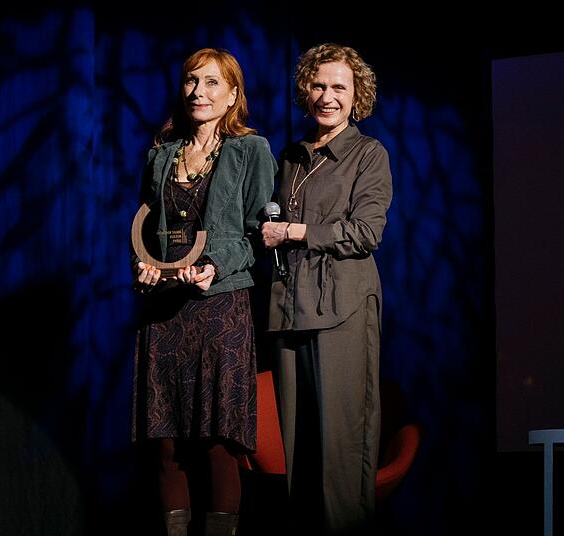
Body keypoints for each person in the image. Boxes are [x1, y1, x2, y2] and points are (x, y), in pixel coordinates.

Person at [132, 48, 276, 536]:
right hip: (165, 310)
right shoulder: (161, 155)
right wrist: (143, 268)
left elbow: (259, 233)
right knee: (166, 440)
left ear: (233, 94)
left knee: (218, 439)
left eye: (212, 82)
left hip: (221, 307)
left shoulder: (250, 151)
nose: (199, 92)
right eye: (192, 81)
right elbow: (146, 228)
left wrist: (215, 265)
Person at [261, 43, 393, 535]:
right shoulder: (291, 157)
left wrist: (294, 232)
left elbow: (366, 233)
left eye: (339, 87)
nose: (327, 96)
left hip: (343, 309)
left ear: (357, 96)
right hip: (289, 310)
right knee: (298, 452)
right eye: (318, 85)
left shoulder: (368, 154)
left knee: (341, 450)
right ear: (305, 90)